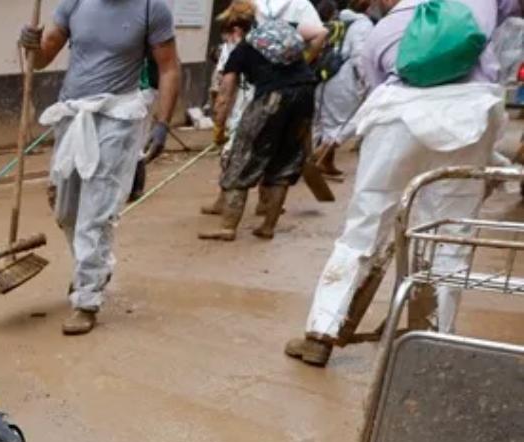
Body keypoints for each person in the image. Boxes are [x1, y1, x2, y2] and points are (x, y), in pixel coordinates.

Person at [286, 0, 512, 367]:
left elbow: (376, 86)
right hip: (468, 115)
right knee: (450, 236)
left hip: (395, 115)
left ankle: (321, 332)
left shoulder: (386, 27)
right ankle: (433, 341)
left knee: (362, 229)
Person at [20, 0, 182, 336]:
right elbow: (41, 58)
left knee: (95, 210)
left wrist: (162, 125)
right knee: (66, 210)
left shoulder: (152, 9)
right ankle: (95, 266)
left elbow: (168, 67)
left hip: (118, 117)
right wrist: (29, 44)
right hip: (73, 114)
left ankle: (87, 299)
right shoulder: (75, 3)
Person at [200, 2, 320, 242]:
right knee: (284, 163)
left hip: (271, 99)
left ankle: (228, 227)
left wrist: (219, 128)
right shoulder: (285, 28)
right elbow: (320, 33)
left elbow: (225, 95)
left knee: (241, 159)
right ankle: (268, 226)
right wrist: (308, 59)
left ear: (235, 29)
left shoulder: (242, 50)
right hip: (305, 95)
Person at [311, 0, 379, 177]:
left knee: (327, 122)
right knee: (347, 122)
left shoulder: (340, 18)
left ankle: (325, 162)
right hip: (346, 80)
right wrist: (367, 82)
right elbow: (360, 55)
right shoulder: (363, 24)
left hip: (327, 77)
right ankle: (317, 158)